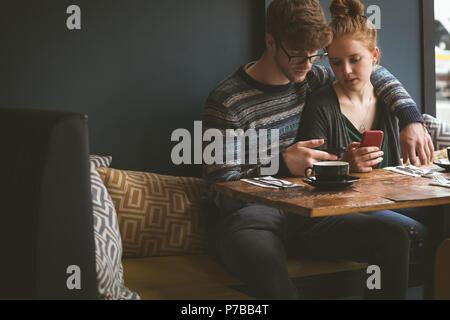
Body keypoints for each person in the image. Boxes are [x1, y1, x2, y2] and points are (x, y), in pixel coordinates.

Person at [202, 0, 433, 299]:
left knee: (392, 239)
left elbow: (374, 71)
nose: (309, 64)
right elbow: (220, 185)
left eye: (316, 55)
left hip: (308, 215)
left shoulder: (310, 76)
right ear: (271, 42)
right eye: (299, 55)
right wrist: (281, 163)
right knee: (266, 265)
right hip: (251, 219)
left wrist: (411, 119)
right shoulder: (226, 100)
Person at [297, 0, 434, 290]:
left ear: (374, 56)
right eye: (336, 62)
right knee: (414, 232)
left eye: (354, 59)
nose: (345, 70)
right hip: (341, 212)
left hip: (388, 200)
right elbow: (305, 177)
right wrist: (344, 164)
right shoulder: (321, 104)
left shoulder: (390, 101)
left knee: (443, 218)